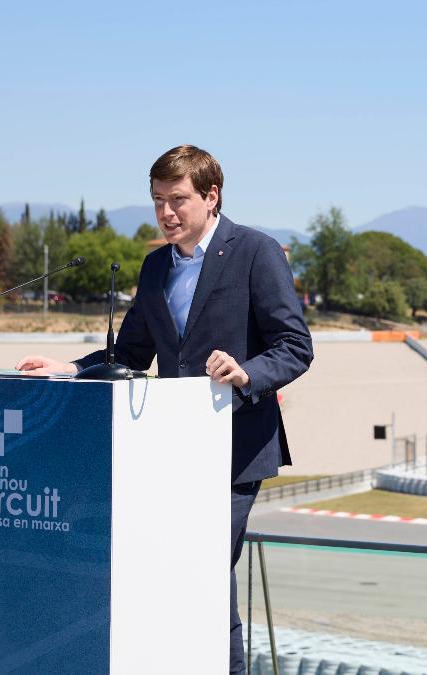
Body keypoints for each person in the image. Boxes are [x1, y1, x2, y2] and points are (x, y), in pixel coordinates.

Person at [16, 144, 313, 673]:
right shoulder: (155, 266)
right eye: (158, 201)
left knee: (203, 568)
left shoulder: (256, 251)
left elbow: (294, 346)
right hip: (168, 448)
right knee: (188, 574)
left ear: (211, 195)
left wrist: (248, 374)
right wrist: (70, 368)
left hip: (235, 449)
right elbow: (130, 354)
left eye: (177, 200)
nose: (166, 213)